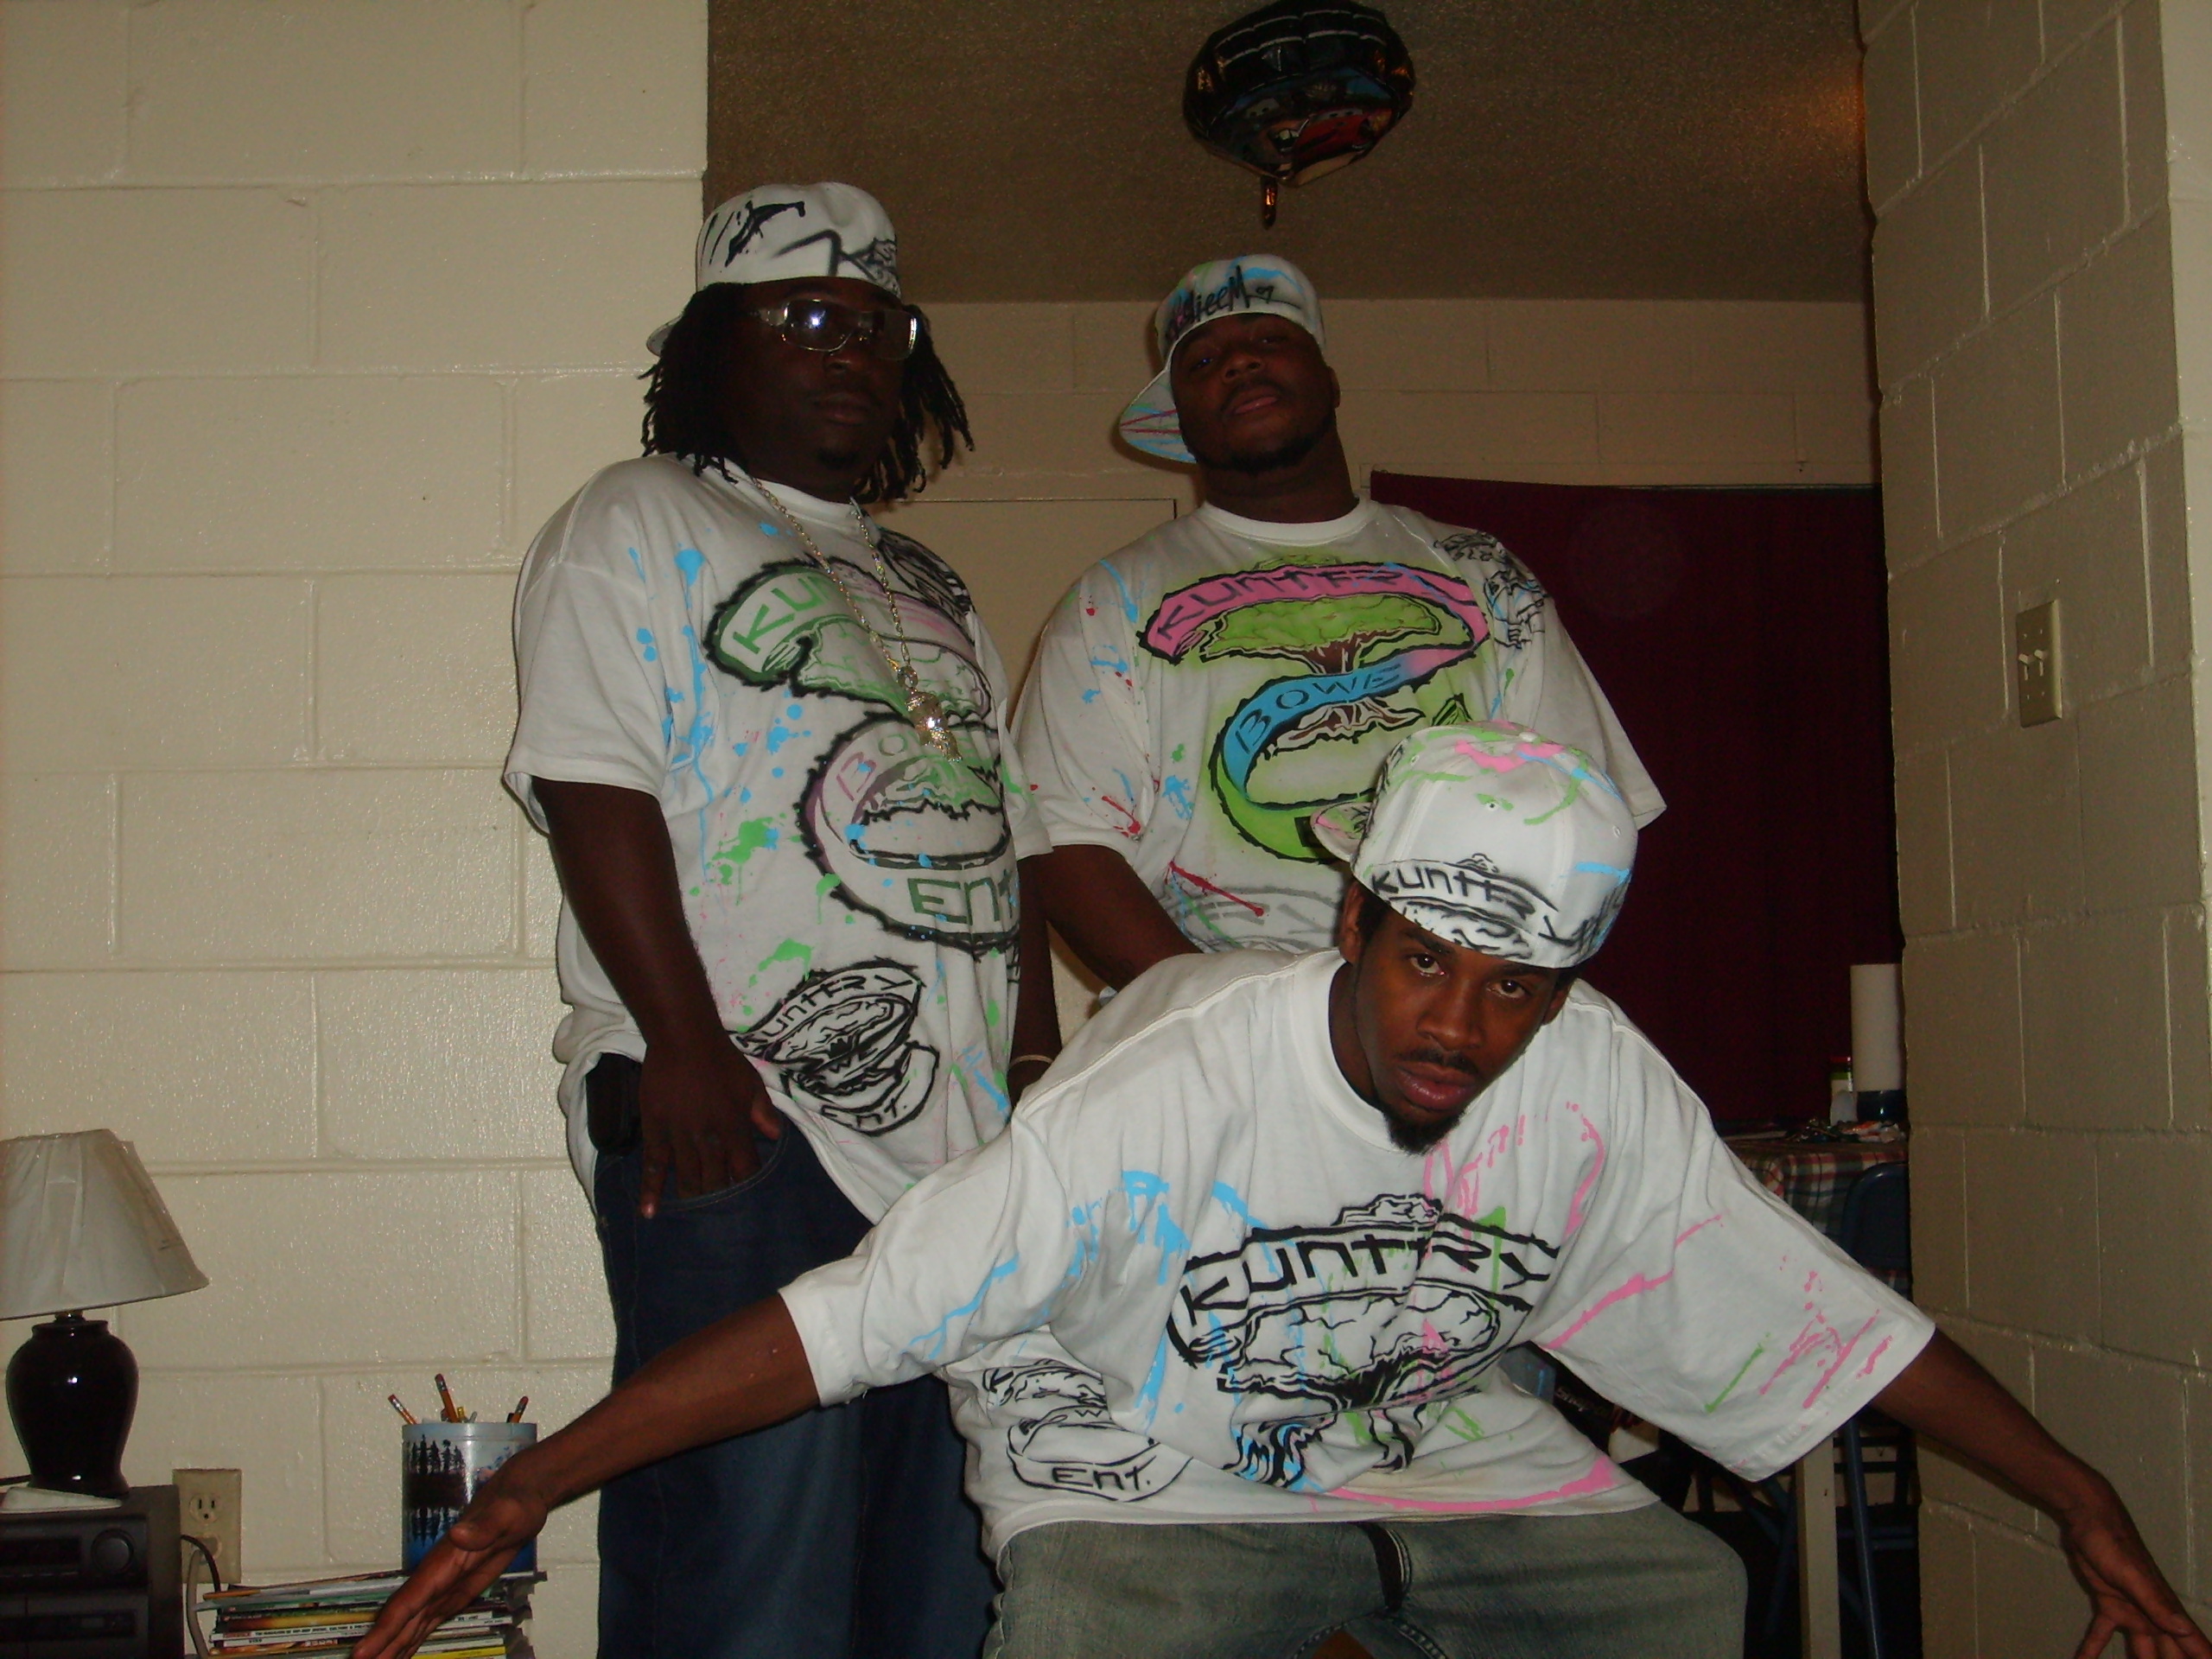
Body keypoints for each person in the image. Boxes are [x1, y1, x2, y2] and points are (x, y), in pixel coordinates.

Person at [365, 722, 2205, 1659]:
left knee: (1677, 1593)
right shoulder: (1172, 1078)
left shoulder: (1588, 1086)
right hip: (1139, 1469)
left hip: (1439, 1452)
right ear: (1353, 919)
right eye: (1426, 965)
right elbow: (849, 1319)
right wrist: (533, 1480)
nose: (1458, 1029)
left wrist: (2080, 1494)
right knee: (1079, 1634)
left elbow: (1819, 1321)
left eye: (1514, 991)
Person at [504, 180, 1057, 1659]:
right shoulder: (636, 516)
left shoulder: (927, 580)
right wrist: (682, 1044)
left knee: (946, 1592)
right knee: (747, 1591)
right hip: (745, 1129)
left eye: (878, 325)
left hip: (956, 1171)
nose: (849, 350)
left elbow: (1006, 840)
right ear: (712, 343)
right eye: (804, 316)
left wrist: (1035, 1081)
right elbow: (594, 784)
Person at [1015, 255, 1661, 987]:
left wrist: (1477, 999)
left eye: (1270, 339)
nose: (1240, 363)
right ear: (1181, 421)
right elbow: (1065, 841)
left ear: (1330, 380)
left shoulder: (1482, 573)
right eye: (1203, 362)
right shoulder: (1110, 601)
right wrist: (1223, 1017)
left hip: (1461, 1010)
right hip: (1217, 1023)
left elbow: (1578, 809)